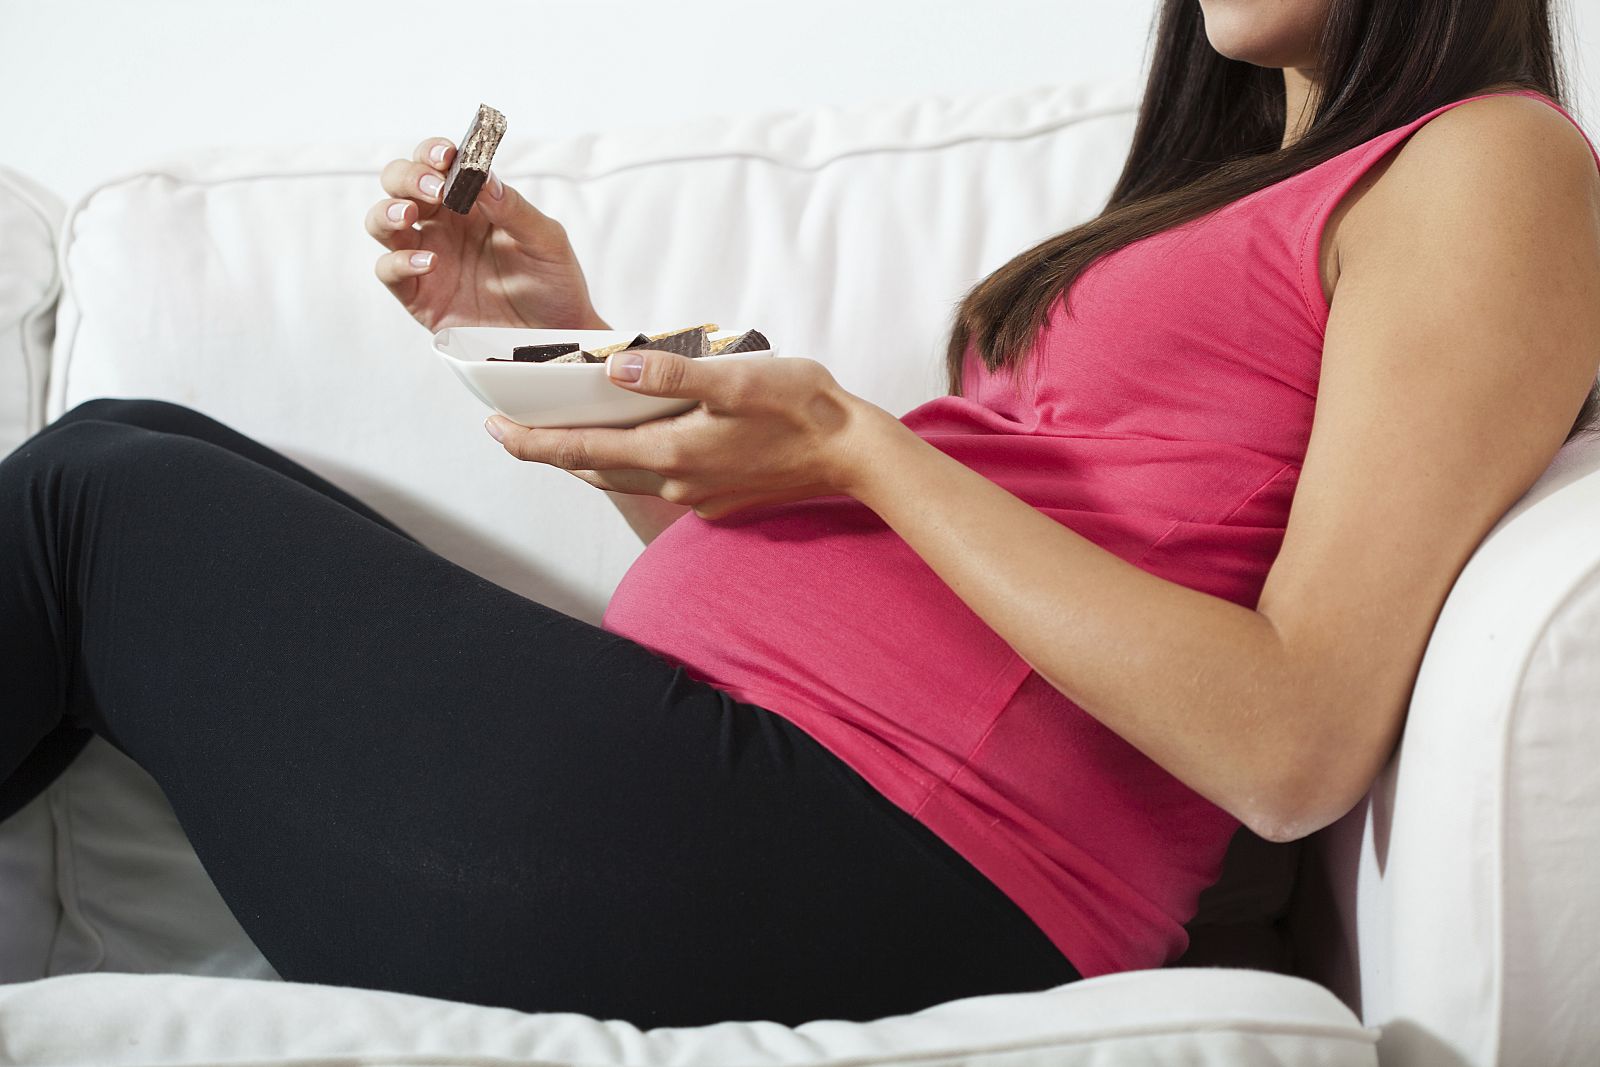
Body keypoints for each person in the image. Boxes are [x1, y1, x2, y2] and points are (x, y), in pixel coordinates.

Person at [5, 0, 1600, 1029]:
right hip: (776, 806)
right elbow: (874, 596)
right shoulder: (1249, 179)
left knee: (98, 503)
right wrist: (557, 338)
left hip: (881, 868)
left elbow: (1294, 741)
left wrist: (858, 442)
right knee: (135, 441)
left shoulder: (1490, 164)